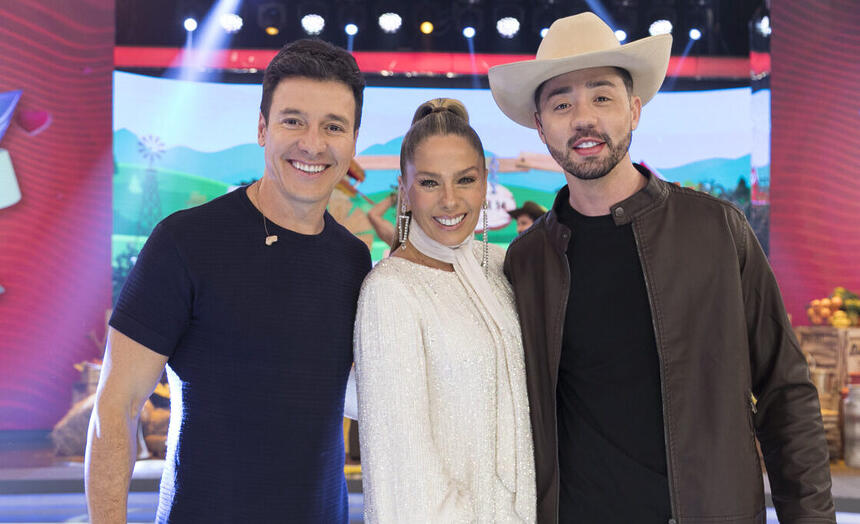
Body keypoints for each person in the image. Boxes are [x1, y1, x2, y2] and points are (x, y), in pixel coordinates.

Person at [488, 12, 835, 524]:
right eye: (561, 103)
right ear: (541, 127)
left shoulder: (716, 230)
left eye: (601, 97)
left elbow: (786, 390)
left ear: (634, 110)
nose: (583, 118)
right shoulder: (526, 261)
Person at [85, 39, 371, 523]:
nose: (312, 144)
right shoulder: (185, 242)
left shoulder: (353, 259)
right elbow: (116, 410)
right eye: (292, 120)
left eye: (333, 127)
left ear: (353, 141)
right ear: (262, 128)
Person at [354, 98, 535, 523]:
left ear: (485, 182)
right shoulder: (390, 293)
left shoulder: (497, 270)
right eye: (431, 183)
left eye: (465, 179)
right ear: (404, 189)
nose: (451, 201)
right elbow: (404, 473)